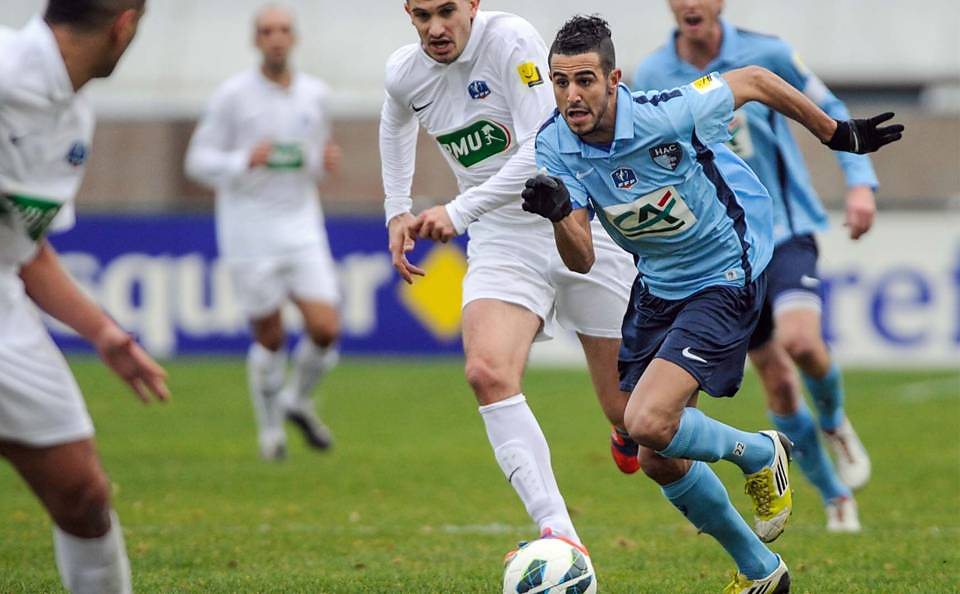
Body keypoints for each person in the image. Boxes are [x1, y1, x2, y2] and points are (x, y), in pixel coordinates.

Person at [524, 15, 901, 592]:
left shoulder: (665, 111)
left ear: (613, 79)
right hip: (657, 283)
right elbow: (580, 258)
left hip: (727, 269)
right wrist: (556, 213)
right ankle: (762, 570)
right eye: (559, 82)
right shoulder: (554, 143)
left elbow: (752, 78)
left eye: (585, 81)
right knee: (656, 452)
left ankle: (759, 451)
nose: (572, 95)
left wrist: (834, 134)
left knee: (646, 419)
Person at [0, 1, 165, 593]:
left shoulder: (75, 116)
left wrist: (104, 333)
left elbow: (28, 252)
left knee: (83, 494)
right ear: (124, 25)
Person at [380, 0, 637, 555]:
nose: (436, 27)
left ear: (473, 4)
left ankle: (627, 431)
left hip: (574, 218)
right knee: (486, 371)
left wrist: (457, 210)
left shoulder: (511, 41)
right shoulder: (405, 71)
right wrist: (396, 207)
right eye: (422, 15)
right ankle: (559, 532)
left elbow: (541, 151)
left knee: (634, 415)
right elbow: (395, 116)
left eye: (448, 10)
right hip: (503, 240)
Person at [633, 0, 874, 533]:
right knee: (780, 386)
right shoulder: (652, 74)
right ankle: (833, 494)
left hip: (784, 229)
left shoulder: (767, 54)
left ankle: (834, 421)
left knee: (803, 342)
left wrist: (859, 181)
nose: (690, 4)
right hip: (722, 254)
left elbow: (827, 105)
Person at [186, 5, 342, 461]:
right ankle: (271, 430)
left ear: (294, 39)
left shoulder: (316, 94)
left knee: (326, 327)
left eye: (284, 31)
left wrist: (321, 162)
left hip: (301, 224)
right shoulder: (232, 96)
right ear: (256, 41)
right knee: (270, 336)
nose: (276, 39)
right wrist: (242, 160)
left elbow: (310, 157)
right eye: (267, 31)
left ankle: (297, 400)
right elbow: (197, 161)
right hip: (249, 229)